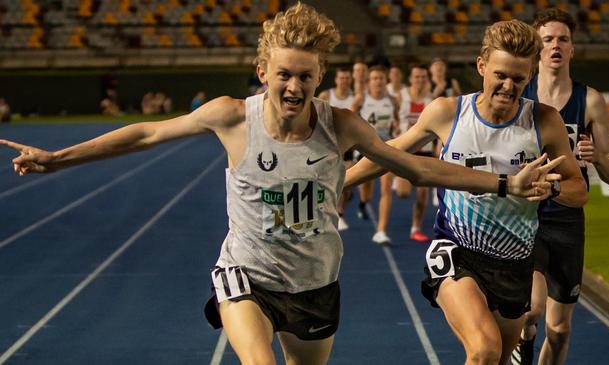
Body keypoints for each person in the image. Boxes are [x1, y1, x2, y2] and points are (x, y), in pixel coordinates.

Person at [2, 5, 564, 365]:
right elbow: (145, 133)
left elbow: (415, 167)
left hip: (314, 283)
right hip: (245, 272)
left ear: (321, 77)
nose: (293, 86)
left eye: (305, 75)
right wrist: (58, 159)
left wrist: (502, 185)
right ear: (262, 70)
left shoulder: (341, 125)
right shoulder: (229, 117)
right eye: (284, 74)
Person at [345, 19, 588, 365]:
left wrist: (552, 187)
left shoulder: (544, 122)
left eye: (519, 79)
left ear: (530, 75)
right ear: (481, 65)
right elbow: (390, 154)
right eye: (500, 75)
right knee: (483, 349)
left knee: (499, 358)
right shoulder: (449, 113)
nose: (508, 86)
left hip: (515, 260)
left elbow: (579, 191)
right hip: (458, 249)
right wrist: (337, 184)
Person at [512, 9, 609, 365]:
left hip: (568, 218)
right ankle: (523, 340)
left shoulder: (589, 100)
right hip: (524, 217)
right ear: (536, 49)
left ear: (573, 49)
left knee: (559, 332)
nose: (555, 46)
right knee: (532, 310)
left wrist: (597, 157)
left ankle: (531, 343)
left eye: (563, 39)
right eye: (547, 39)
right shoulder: (521, 94)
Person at [352, 65, 400, 244]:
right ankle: (364, 203)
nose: (378, 81)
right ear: (368, 82)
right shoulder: (361, 99)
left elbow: (396, 119)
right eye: (374, 78)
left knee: (386, 189)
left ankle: (381, 230)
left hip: (386, 147)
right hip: (364, 149)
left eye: (381, 78)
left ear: (385, 80)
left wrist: (396, 131)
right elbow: (349, 119)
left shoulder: (393, 100)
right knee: (366, 190)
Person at [393, 64, 434, 242]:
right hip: (405, 150)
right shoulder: (400, 96)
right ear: (411, 79)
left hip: (424, 151)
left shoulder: (432, 100)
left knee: (423, 193)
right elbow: (392, 115)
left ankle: (415, 227)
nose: (420, 80)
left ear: (427, 79)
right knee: (403, 193)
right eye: (417, 77)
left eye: (423, 77)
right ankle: (397, 180)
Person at [318, 68, 355, 231]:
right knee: (327, 181)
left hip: (347, 144)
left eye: (347, 78)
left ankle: (340, 213)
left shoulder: (355, 98)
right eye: (342, 78)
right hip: (328, 143)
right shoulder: (326, 96)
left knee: (348, 180)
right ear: (336, 80)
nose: (344, 81)